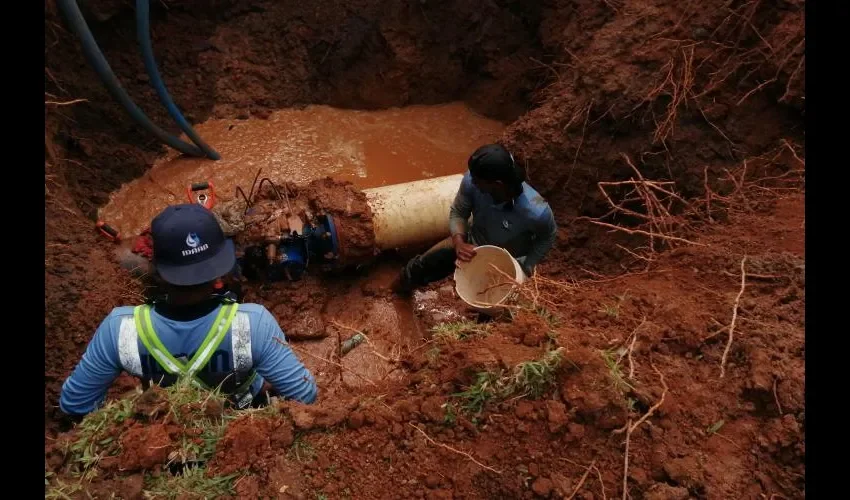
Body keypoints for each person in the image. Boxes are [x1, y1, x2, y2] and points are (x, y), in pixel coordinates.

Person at [59, 203, 317, 418]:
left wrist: (131, 420)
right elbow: (305, 396)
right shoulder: (254, 323)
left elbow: (75, 404)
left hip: (164, 435)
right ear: (219, 272)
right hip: (242, 426)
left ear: (157, 269)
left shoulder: (119, 329)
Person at [394, 144, 557, 293]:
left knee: (488, 301)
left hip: (504, 261)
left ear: (498, 184)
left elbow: (547, 236)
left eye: (477, 180)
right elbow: (458, 212)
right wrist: (459, 243)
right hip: (472, 242)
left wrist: (526, 266)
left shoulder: (535, 211)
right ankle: (394, 292)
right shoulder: (471, 182)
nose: (471, 180)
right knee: (421, 265)